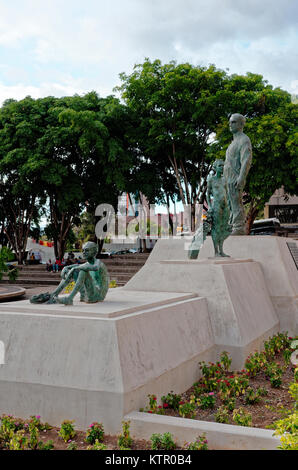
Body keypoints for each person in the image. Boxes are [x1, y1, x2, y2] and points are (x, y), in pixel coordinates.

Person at [224, 113, 252, 235]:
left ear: (241, 124)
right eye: (230, 122)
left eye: (234, 122)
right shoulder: (234, 141)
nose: (230, 124)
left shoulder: (244, 140)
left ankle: (238, 226)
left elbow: (246, 159)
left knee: (236, 201)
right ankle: (232, 224)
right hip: (228, 177)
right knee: (230, 202)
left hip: (235, 177)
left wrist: (241, 177)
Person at [206, 160, 231, 257]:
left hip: (225, 206)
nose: (222, 167)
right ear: (215, 168)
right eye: (220, 165)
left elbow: (227, 193)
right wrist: (209, 206)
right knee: (216, 228)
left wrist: (229, 205)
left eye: (223, 165)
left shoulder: (225, 180)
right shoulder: (211, 180)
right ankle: (216, 251)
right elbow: (208, 194)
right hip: (216, 205)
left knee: (223, 228)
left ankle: (221, 250)